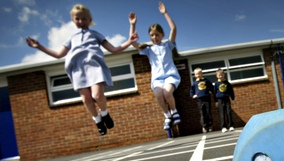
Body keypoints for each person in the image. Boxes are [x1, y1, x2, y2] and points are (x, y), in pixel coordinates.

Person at [25, 4, 138, 136]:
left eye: (84, 19)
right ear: (73, 20)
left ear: (90, 20)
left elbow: (114, 49)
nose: (81, 21)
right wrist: (39, 46)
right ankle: (98, 120)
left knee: (97, 95)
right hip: (79, 70)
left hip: (94, 67)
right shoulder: (72, 38)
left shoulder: (95, 34)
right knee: (86, 100)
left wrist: (130, 38)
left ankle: (105, 113)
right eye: (77, 19)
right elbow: (58, 54)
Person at [128, 2, 181, 131]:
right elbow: (132, 42)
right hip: (157, 79)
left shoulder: (168, 45)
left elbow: (173, 29)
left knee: (167, 93)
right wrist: (132, 24)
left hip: (170, 76)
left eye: (157, 34)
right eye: (152, 35)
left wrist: (165, 13)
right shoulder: (148, 50)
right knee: (158, 94)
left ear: (162, 35)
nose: (154, 37)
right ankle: (167, 115)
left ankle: (174, 111)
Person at [190, 68, 214, 133]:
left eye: (199, 74)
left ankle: (210, 126)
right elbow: (191, 91)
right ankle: (204, 126)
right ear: (195, 75)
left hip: (207, 98)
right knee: (202, 113)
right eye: (197, 74)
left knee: (208, 112)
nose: (198, 75)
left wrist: (211, 91)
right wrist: (193, 95)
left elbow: (211, 87)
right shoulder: (194, 83)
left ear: (202, 74)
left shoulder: (206, 81)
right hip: (200, 100)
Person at [214, 69, 235, 133]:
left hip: (227, 99)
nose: (221, 76)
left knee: (228, 112)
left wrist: (232, 98)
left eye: (222, 75)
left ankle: (231, 125)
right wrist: (216, 101)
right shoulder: (216, 83)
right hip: (220, 100)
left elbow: (231, 91)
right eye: (219, 75)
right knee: (222, 113)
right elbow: (214, 92)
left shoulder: (227, 83)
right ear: (217, 76)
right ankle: (223, 127)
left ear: (224, 75)